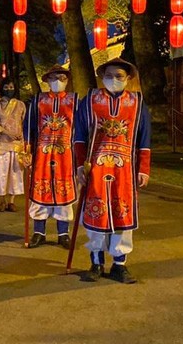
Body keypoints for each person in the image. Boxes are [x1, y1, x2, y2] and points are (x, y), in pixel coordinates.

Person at [74, 57, 151, 284]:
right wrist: (80, 165)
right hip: (95, 166)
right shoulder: (90, 100)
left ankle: (120, 264)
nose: (113, 80)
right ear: (102, 77)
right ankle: (96, 262)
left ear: (128, 78)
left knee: (122, 213)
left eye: (119, 76)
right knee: (96, 212)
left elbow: (144, 137)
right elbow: (79, 136)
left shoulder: (137, 102)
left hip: (125, 168)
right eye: (109, 76)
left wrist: (143, 168)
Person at [24, 65, 78, 248]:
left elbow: (81, 130)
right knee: (40, 190)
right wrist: (26, 150)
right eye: (54, 78)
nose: (58, 82)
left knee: (64, 191)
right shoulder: (39, 100)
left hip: (66, 154)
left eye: (62, 78)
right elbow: (29, 127)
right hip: (42, 153)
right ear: (46, 80)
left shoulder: (74, 101)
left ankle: (63, 234)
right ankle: (39, 232)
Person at [0, 78, 26, 212]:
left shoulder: (21, 105)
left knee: (15, 173)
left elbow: (24, 123)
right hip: (1, 144)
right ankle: (2, 201)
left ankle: (12, 201)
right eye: (6, 86)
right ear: (2, 88)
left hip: (17, 144)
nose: (9, 89)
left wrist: (22, 136)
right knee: (1, 173)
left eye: (11, 86)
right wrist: (6, 132)